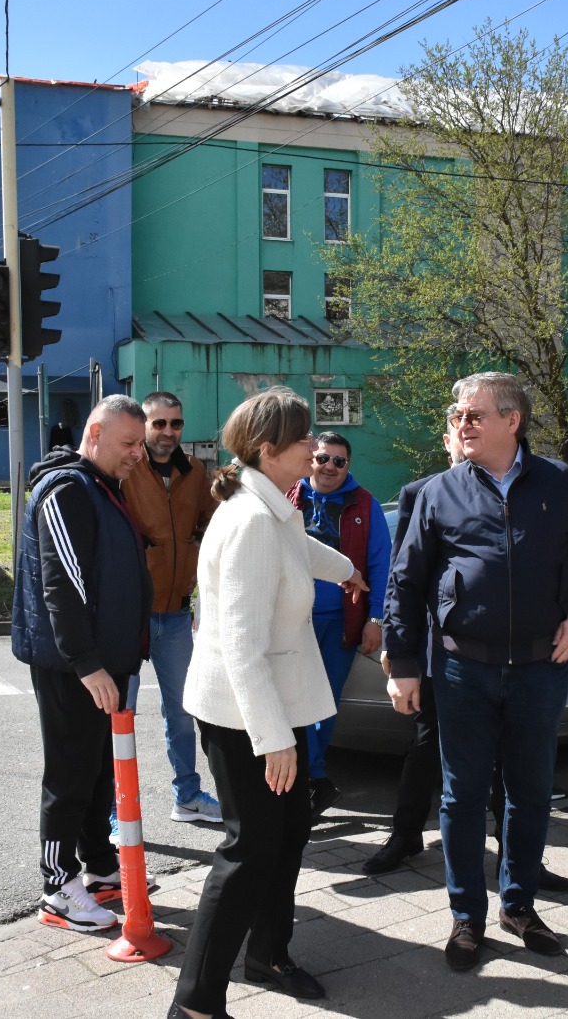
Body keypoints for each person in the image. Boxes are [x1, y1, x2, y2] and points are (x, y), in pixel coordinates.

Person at [383, 372, 568, 971]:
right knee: (461, 797)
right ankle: (467, 916)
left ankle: (519, 905)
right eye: (458, 414)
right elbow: (405, 582)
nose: (462, 424)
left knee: (530, 793)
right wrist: (403, 664)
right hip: (462, 669)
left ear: (513, 420)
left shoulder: (559, 483)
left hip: (541, 666)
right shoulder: (440, 491)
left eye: (475, 415)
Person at [171, 387, 369, 1019]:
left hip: (270, 707)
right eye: (304, 437)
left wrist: (345, 569)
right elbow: (240, 645)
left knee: (284, 839)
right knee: (249, 851)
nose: (315, 447)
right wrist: (274, 739)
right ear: (266, 449)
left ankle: (268, 955)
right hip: (244, 715)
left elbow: (299, 550)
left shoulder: (273, 506)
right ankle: (195, 1004)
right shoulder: (252, 520)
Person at [365, 418, 568, 894]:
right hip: (439, 651)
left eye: (475, 425)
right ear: (447, 442)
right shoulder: (424, 492)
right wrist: (400, 650)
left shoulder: (527, 490)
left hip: (503, 657)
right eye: (458, 429)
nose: (467, 436)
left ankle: (516, 861)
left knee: (506, 760)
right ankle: (405, 836)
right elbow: (404, 577)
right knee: (427, 748)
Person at [11, 395, 153, 934]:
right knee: (70, 774)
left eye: (141, 444)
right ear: (94, 434)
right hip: (75, 667)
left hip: (102, 663)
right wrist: (87, 664)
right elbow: (62, 583)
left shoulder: (100, 485)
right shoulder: (67, 488)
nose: (138, 453)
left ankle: (98, 868)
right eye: (129, 443)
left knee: (97, 771)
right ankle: (57, 889)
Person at [121, 390, 223, 825]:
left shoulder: (194, 471)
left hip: (177, 614)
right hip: (130, 614)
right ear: (144, 425)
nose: (168, 432)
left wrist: (197, 546)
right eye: (159, 423)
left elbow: (214, 520)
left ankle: (188, 796)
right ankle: (114, 809)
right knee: (120, 716)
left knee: (182, 712)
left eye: (175, 423)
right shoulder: (127, 468)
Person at [287, 430, 390, 822]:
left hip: (339, 621)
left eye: (339, 461)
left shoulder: (365, 504)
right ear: (310, 458)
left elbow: (380, 566)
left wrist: (375, 619)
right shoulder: (289, 495)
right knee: (290, 700)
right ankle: (300, 779)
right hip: (290, 618)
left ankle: (312, 778)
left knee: (323, 703)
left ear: (348, 466)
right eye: (323, 458)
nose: (329, 466)